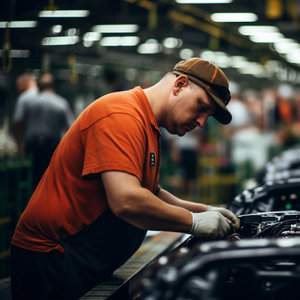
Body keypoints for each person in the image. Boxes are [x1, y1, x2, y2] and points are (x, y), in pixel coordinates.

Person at [10, 58, 240, 299]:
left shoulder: (147, 123)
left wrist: (204, 209)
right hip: (51, 257)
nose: (202, 123)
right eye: (201, 107)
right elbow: (127, 199)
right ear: (180, 84)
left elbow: (149, 192)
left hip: (80, 257)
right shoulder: (121, 114)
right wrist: (193, 221)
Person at [13, 72, 75, 188]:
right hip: (51, 145)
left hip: (30, 145)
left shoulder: (29, 102)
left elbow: (17, 122)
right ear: (54, 87)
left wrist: (19, 143)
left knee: (31, 177)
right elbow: (71, 128)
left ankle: (29, 202)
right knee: (48, 179)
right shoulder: (61, 103)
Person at [12, 71, 39, 155]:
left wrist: (19, 144)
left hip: (30, 141)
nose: (17, 88)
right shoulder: (45, 95)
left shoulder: (23, 98)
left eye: (18, 85)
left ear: (26, 83)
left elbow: (17, 122)